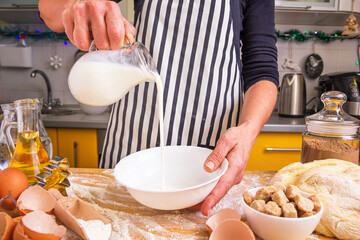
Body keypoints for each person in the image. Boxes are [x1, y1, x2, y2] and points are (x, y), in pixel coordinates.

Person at [38, 0, 278, 216]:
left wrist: (248, 129)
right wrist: (75, 4)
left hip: (208, 156)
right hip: (134, 145)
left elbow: (262, 69)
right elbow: (48, 10)